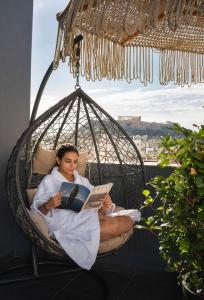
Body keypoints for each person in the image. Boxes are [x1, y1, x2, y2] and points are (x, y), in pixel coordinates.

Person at [31, 144, 140, 269]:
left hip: (85, 215)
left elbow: (94, 203)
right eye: (68, 161)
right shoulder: (49, 181)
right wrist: (47, 205)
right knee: (118, 224)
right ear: (58, 160)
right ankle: (92, 234)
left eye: (75, 162)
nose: (72, 166)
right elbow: (35, 211)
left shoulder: (82, 181)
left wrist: (104, 205)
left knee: (127, 221)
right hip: (63, 221)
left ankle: (92, 234)